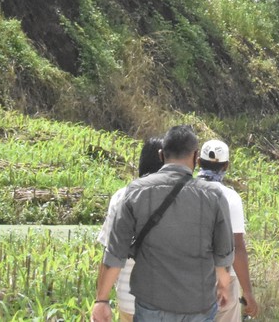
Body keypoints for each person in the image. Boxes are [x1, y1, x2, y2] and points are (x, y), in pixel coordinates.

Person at [93, 125, 235, 322]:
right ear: (195, 157)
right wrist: (224, 284)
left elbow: (115, 253)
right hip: (198, 304)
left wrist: (102, 300)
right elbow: (223, 254)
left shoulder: (135, 192)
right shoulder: (214, 196)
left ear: (161, 155)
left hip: (152, 304)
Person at [95, 138, 170, 321]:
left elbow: (112, 252)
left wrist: (102, 300)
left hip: (130, 299)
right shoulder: (186, 197)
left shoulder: (122, 196)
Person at [196, 139, 260, 320]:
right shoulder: (231, 198)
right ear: (226, 166)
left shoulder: (185, 190)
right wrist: (247, 292)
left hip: (189, 278)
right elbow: (237, 247)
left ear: (198, 162)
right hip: (223, 278)